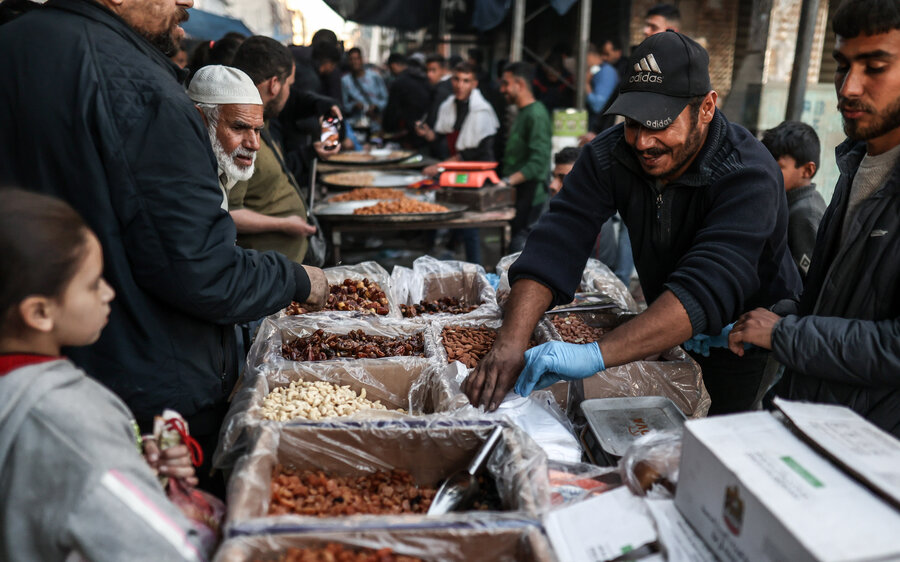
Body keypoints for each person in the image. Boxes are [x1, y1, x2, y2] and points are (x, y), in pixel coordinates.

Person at [0, 0, 328, 495]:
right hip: (145, 391)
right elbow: (203, 270)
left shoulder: (15, 46)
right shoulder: (139, 86)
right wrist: (297, 278)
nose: (188, 4)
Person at [464, 31, 801, 413]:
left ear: (706, 108)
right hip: (668, 324)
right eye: (633, 122)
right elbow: (557, 240)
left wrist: (595, 355)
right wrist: (510, 344)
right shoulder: (612, 155)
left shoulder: (748, 174)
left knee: (714, 437)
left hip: (740, 339)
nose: (641, 142)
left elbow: (707, 283)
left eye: (658, 124)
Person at [0, 189, 204, 561]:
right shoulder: (70, 419)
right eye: (93, 283)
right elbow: (169, 552)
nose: (109, 293)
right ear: (40, 312)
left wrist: (134, 469)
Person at [730, 0, 900, 438]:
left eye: (875, 67)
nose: (848, 87)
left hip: (874, 454)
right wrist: (772, 314)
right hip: (811, 425)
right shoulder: (856, 167)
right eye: (842, 66)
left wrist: (787, 333)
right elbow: (840, 305)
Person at [230, 36, 338, 266]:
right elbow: (227, 213)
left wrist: (322, 106)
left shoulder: (263, 117)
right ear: (274, 85)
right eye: (289, 84)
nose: (291, 93)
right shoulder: (239, 133)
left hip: (289, 262)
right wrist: (283, 225)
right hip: (267, 268)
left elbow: (297, 102)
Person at [417, 62, 499, 264]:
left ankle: (475, 270)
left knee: (469, 224)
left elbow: (476, 151)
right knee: (453, 214)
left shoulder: (482, 111)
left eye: (466, 81)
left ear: (474, 83)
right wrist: (429, 135)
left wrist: (442, 165)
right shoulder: (449, 106)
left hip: (476, 173)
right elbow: (443, 136)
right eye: (457, 79)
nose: (460, 85)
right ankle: (448, 255)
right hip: (456, 171)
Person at [550, 147, 631, 285]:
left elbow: (593, 279)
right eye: (554, 177)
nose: (552, 185)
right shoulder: (563, 207)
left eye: (564, 178)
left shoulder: (595, 222)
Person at [188, 65, 264, 210]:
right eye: (238, 128)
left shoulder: (221, 172)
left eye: (257, 130)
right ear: (200, 119)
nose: (254, 144)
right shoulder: (182, 179)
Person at [497, 62, 552, 252]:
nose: (502, 89)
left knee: (520, 248)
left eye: (505, 84)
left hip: (531, 195)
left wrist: (506, 181)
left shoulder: (536, 114)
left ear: (519, 85)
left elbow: (538, 163)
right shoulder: (523, 112)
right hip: (519, 193)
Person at [761, 121, 827, 280]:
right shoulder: (785, 200)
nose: (768, 172)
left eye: (778, 167)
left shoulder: (804, 213)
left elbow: (809, 281)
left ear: (807, 170)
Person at [383, 53, 432, 148]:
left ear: (393, 65)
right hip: (426, 126)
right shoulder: (421, 76)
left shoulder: (399, 82)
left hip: (410, 130)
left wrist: (387, 128)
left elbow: (392, 110)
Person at [342, 47, 388, 133]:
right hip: (356, 125)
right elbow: (344, 105)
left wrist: (376, 106)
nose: (354, 62)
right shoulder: (345, 81)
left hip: (375, 123)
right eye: (351, 59)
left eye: (357, 59)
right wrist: (354, 106)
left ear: (362, 59)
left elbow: (385, 99)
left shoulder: (375, 77)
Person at [586, 43, 620, 133]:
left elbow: (598, 105)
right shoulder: (596, 70)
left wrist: (586, 84)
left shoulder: (606, 72)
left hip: (600, 128)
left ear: (589, 56)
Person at [425, 53, 454, 129]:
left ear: (443, 70)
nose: (429, 74)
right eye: (427, 70)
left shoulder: (441, 91)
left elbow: (433, 119)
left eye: (433, 70)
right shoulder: (448, 84)